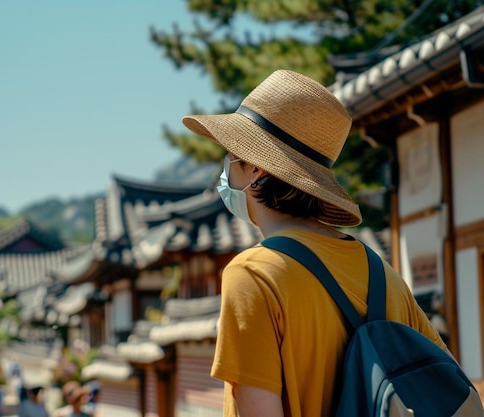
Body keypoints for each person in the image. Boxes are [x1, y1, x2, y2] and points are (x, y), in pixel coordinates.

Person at [181, 69, 449, 417]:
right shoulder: (384, 275)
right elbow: (444, 384)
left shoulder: (253, 275)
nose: (224, 169)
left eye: (231, 155)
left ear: (257, 169)